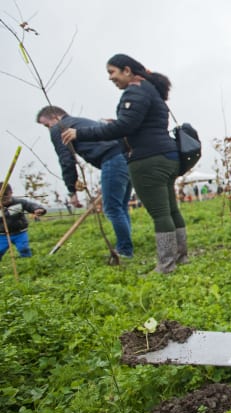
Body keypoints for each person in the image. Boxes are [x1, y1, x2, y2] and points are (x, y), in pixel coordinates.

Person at [61, 54, 187, 273]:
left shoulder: (136, 90)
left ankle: (166, 266)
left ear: (127, 70)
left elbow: (124, 126)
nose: (111, 78)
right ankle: (181, 257)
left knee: (160, 213)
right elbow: (135, 123)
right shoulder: (151, 90)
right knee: (171, 209)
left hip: (149, 159)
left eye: (112, 72)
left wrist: (80, 133)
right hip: (167, 155)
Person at [36, 106, 134, 258]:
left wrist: (72, 191)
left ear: (54, 118)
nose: (48, 129)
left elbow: (66, 159)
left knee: (113, 208)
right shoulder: (80, 122)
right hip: (126, 160)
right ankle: (126, 246)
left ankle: (125, 250)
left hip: (111, 160)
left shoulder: (59, 128)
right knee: (120, 207)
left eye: (46, 125)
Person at [0, 182, 47, 260]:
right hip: (2, 235)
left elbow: (30, 205)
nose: (3, 198)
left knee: (23, 248)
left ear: (11, 193)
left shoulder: (19, 202)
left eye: (5, 194)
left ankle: (28, 262)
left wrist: (38, 209)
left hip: (20, 232)